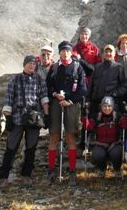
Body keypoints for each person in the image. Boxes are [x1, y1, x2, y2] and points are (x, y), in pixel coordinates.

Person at [0, 56, 49, 189]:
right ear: (24, 65)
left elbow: (44, 98)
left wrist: (47, 115)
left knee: (31, 148)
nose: (32, 66)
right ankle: (3, 177)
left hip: (34, 118)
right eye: (30, 63)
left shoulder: (40, 80)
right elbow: (9, 99)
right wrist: (8, 118)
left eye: (34, 63)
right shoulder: (15, 79)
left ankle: (26, 175)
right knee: (11, 147)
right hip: (17, 117)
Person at [46, 41, 86, 186]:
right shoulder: (55, 67)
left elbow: (82, 89)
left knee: (70, 136)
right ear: (59, 52)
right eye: (62, 50)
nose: (65, 53)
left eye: (67, 51)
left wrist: (70, 100)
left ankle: (72, 170)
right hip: (56, 103)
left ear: (71, 52)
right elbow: (48, 85)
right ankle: (51, 169)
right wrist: (55, 94)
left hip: (72, 104)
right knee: (54, 136)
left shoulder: (77, 67)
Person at [82, 96, 127, 178]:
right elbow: (88, 127)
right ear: (101, 107)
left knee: (117, 153)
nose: (107, 108)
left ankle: (117, 169)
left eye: (109, 106)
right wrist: (84, 115)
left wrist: (126, 114)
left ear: (113, 107)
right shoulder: (97, 116)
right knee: (97, 154)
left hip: (114, 144)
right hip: (100, 144)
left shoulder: (117, 116)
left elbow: (126, 125)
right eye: (104, 106)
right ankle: (102, 169)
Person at [88, 44, 127, 118]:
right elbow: (91, 84)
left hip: (112, 103)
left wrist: (115, 94)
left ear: (114, 54)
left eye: (110, 52)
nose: (108, 54)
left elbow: (125, 85)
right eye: (106, 52)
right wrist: (88, 98)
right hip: (97, 102)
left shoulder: (118, 67)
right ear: (103, 53)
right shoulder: (98, 67)